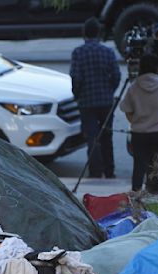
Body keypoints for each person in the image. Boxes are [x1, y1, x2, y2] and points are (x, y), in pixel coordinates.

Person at [119, 53, 158, 203]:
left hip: (140, 133)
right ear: (157, 67)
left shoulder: (134, 87)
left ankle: (136, 198)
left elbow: (126, 109)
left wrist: (136, 121)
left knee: (139, 165)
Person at [70, 17, 121, 178]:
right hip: (106, 101)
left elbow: (76, 78)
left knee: (92, 137)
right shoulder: (108, 52)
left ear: (84, 33)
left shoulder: (78, 53)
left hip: (87, 102)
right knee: (107, 135)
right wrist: (109, 91)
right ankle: (109, 170)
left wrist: (77, 95)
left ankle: (95, 171)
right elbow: (116, 75)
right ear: (99, 33)